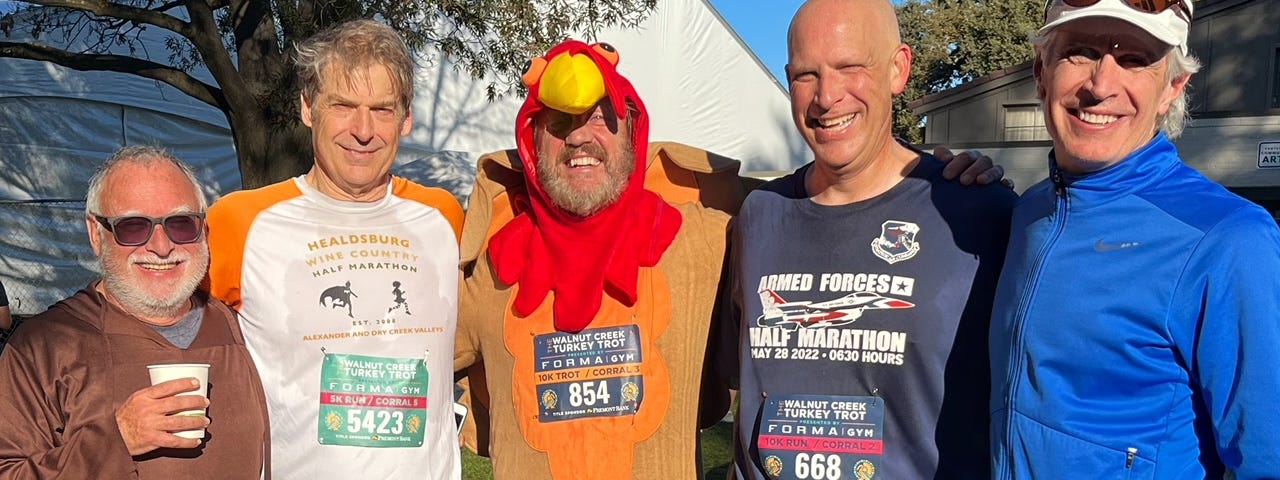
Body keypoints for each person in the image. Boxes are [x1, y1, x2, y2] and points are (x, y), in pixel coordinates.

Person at [723, 0, 1017, 479]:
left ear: (899, 69)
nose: (826, 96)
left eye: (849, 67)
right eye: (806, 75)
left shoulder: (977, 212)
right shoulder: (759, 215)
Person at [989, 0, 1280, 477]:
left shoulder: (1228, 239)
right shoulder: (1025, 214)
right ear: (1041, 72)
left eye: (1134, 59)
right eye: (1080, 52)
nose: (1101, 87)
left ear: (1173, 87)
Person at [205, 20, 464, 479]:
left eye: (382, 110)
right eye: (343, 105)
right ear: (308, 107)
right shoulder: (240, 222)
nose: (363, 131)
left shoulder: (445, 218)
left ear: (407, 117)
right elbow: (161, 328)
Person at [0, 146, 269, 478]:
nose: (161, 246)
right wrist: (114, 439)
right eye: (133, 227)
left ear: (203, 230)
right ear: (96, 234)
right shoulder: (43, 349)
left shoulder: (242, 329)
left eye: (181, 224)